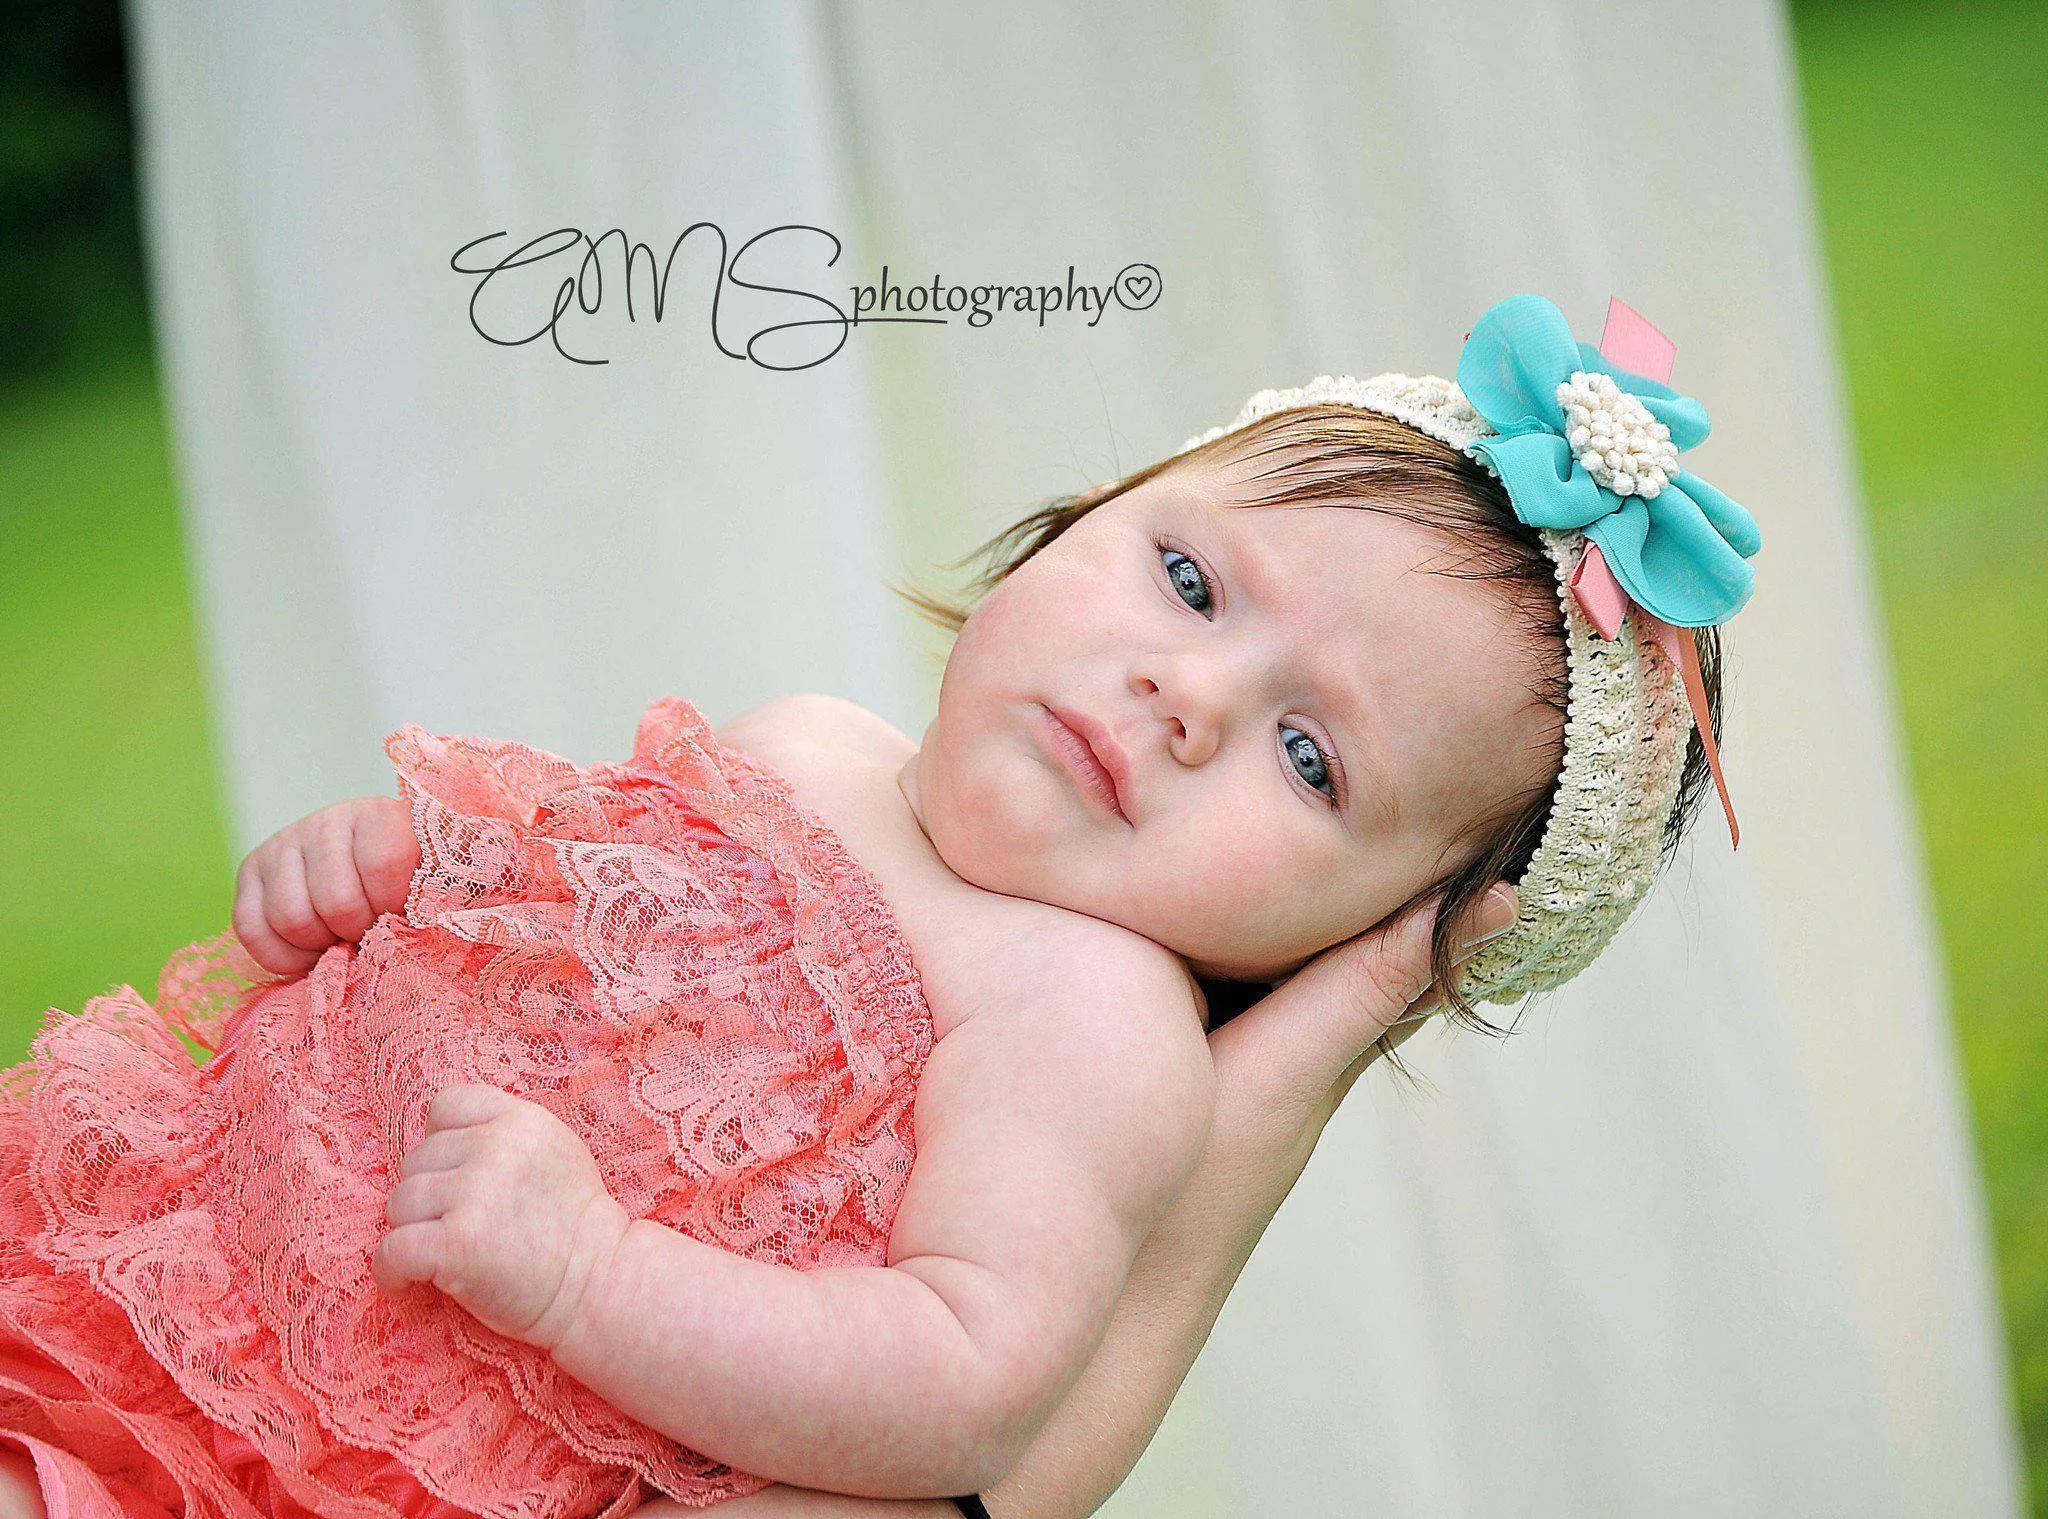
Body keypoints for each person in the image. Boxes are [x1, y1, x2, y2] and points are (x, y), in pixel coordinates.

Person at [0, 295, 1758, 1519]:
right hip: (166, 1272)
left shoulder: (1088, 1024)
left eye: (1310, 759)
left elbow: (961, 1376)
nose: (1184, 695)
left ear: (1365, 935)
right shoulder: (806, 741)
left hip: (376, 1454)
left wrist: (597, 1276)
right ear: (1086, 513)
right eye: (1188, 576)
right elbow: (545, 904)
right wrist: (386, 869)